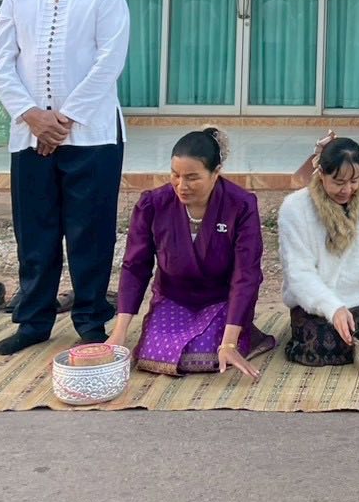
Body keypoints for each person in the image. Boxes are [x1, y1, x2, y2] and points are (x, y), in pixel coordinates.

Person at [0, 0, 131, 356]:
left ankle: (91, 319)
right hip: (29, 135)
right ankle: (33, 321)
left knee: (91, 232)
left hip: (92, 136)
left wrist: (62, 120)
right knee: (35, 232)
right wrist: (31, 115)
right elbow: (0, 62)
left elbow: (110, 60)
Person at [109, 127, 271, 377]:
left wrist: (229, 343)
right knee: (154, 354)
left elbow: (246, 274)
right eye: (175, 175)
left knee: (207, 353)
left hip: (221, 299)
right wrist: (119, 334)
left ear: (216, 173)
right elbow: (135, 266)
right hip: (174, 297)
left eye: (192, 178)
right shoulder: (153, 204)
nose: (181, 185)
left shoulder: (240, 205)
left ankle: (242, 335)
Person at [278, 136, 359, 365]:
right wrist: (332, 308)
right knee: (321, 342)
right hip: (314, 303)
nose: (347, 190)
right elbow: (299, 272)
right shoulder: (295, 209)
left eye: (355, 181)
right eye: (338, 182)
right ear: (321, 174)